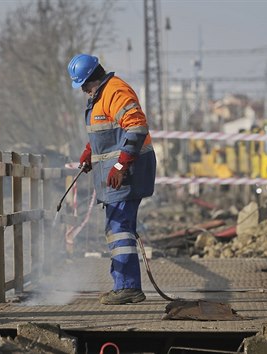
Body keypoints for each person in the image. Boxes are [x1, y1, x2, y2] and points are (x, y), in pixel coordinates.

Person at [67, 53, 157, 305]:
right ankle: (124, 285)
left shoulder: (115, 92)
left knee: (118, 228)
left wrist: (119, 165)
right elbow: (108, 133)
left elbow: (137, 128)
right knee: (118, 228)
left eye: (83, 85)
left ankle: (128, 287)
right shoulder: (102, 95)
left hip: (128, 172)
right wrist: (89, 152)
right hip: (120, 173)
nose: (83, 90)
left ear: (91, 80)